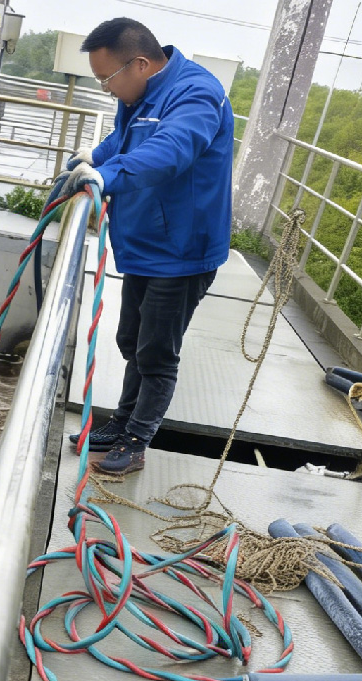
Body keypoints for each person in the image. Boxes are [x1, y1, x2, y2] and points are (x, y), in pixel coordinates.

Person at [63, 18, 235, 476]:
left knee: (156, 353)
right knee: (131, 340)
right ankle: (122, 423)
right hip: (144, 243)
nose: (105, 89)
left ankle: (137, 441)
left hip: (181, 251)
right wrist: (94, 157)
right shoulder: (139, 94)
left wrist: (107, 176)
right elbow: (127, 138)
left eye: (106, 79)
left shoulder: (198, 94)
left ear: (139, 64)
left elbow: (171, 150)